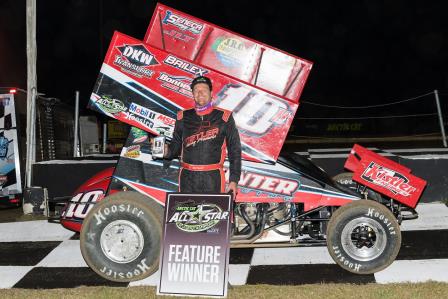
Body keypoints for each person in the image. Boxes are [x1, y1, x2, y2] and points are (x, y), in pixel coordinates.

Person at [163, 76, 241, 195]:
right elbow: (175, 148)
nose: (200, 93)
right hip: (187, 178)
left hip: (213, 178)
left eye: (204, 89)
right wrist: (165, 151)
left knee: (214, 212)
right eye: (196, 90)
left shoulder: (225, 117)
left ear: (211, 93)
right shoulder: (182, 117)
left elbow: (235, 151)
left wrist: (234, 180)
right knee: (187, 212)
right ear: (193, 94)